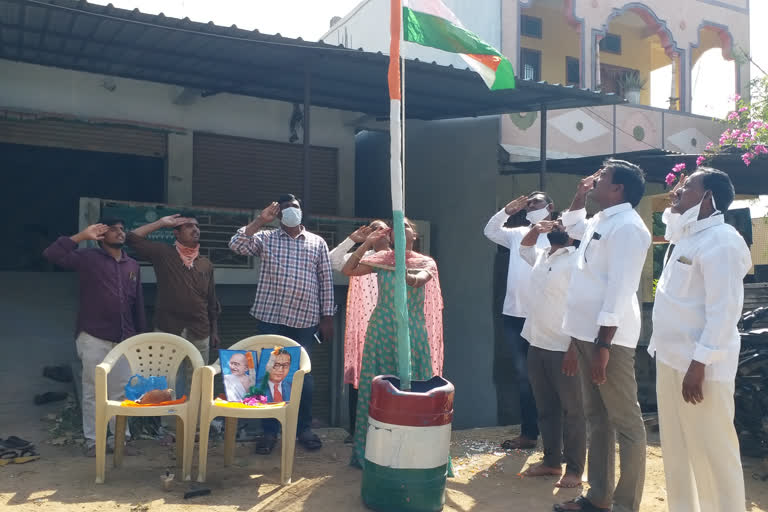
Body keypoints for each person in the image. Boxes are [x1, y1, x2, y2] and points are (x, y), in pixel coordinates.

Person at [649, 169, 751, 512]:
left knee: (713, 453)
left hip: (700, 368)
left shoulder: (722, 240)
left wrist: (699, 365)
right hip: (671, 360)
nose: (676, 191)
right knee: (678, 451)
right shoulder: (687, 235)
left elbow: (724, 311)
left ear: (708, 198)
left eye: (687, 186)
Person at [554, 160, 651, 512]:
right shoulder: (603, 219)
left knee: (625, 423)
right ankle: (598, 498)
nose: (594, 181)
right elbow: (571, 225)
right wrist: (580, 194)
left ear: (618, 189)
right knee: (597, 418)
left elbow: (620, 290)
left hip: (607, 340)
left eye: (602, 178)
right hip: (585, 335)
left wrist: (604, 344)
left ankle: (626, 505)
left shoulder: (628, 228)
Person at [229, 194, 334, 453]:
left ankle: (303, 429)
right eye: (285, 208)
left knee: (302, 377)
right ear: (277, 214)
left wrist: (327, 317)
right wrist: (259, 221)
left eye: (294, 207)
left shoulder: (316, 242)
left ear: (301, 211)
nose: (291, 211)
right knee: (270, 375)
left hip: (305, 320)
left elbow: (326, 280)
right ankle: (269, 432)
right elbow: (236, 245)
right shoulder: (264, 238)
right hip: (271, 318)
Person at [342, 219, 444, 468]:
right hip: (382, 328)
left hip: (412, 329)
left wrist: (395, 262)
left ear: (415, 234)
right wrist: (367, 243)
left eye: (406, 226)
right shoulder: (380, 261)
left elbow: (417, 280)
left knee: (414, 384)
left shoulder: (425, 262)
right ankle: (371, 452)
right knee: (378, 385)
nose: (400, 229)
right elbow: (348, 269)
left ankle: (412, 450)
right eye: (395, 226)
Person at [43, 219, 145, 457]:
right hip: (93, 335)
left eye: (122, 229)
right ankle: (94, 442)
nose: (120, 232)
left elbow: (137, 304)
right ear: (101, 234)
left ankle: (120, 440)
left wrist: (138, 338)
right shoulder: (88, 258)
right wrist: (81, 236)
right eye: (113, 229)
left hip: (124, 338)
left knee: (122, 392)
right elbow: (51, 254)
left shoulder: (132, 265)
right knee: (94, 390)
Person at [518, 216, 585, 489]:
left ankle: (574, 469)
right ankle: (551, 462)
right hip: (537, 342)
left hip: (564, 347)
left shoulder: (579, 260)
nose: (556, 224)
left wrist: (574, 348)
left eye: (562, 223)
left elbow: (583, 306)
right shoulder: (544, 254)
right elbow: (524, 248)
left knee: (573, 412)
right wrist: (536, 228)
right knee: (546, 409)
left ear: (574, 233)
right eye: (556, 221)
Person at [484, 191, 553, 449]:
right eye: (530, 203)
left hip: (546, 315)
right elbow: (490, 231)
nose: (532, 206)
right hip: (515, 316)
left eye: (537, 202)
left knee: (551, 377)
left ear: (550, 206)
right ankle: (529, 433)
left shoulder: (559, 232)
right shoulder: (516, 234)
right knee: (524, 378)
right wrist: (507, 211)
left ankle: (556, 438)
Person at [126, 213, 219, 395]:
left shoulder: (205, 263)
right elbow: (132, 238)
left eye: (197, 226)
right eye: (189, 226)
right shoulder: (163, 253)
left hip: (200, 329)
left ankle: (196, 421)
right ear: (176, 233)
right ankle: (168, 423)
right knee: (166, 379)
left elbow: (212, 300)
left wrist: (214, 330)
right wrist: (161, 223)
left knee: (199, 380)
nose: (195, 229)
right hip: (168, 327)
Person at [329, 220, 391, 442]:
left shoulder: (396, 257)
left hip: (388, 326)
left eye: (381, 228)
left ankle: (384, 430)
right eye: (372, 229)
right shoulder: (360, 258)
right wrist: (354, 241)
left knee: (387, 378)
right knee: (360, 380)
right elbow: (332, 261)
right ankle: (357, 432)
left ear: (390, 234)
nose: (377, 232)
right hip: (363, 326)